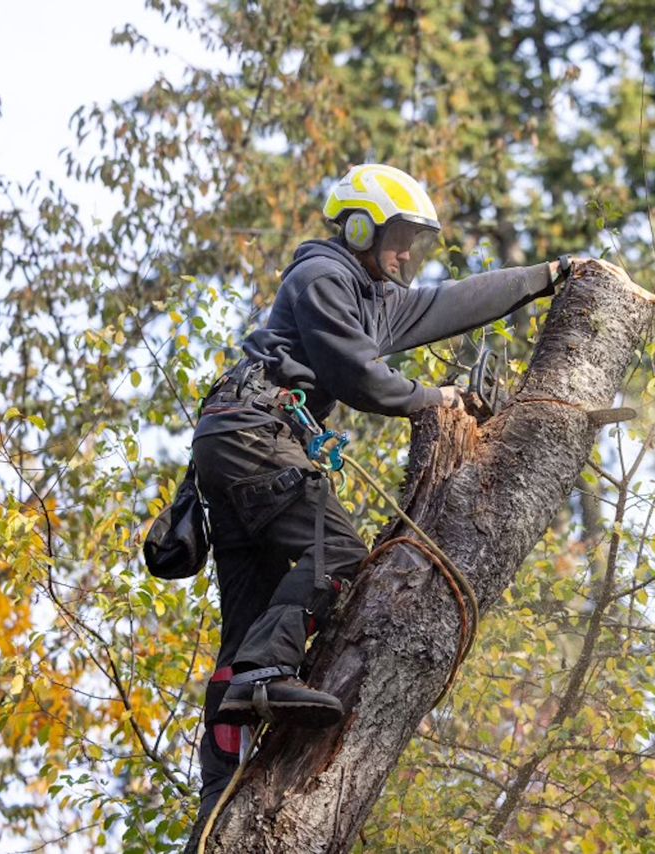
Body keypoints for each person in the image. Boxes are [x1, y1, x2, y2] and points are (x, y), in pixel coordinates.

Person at [190, 163, 573, 818]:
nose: (408, 255)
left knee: (250, 623)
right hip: (255, 437)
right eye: (400, 237)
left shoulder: (369, 297)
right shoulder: (322, 277)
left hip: (236, 443)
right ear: (361, 227)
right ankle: (262, 677)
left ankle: (216, 788)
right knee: (337, 552)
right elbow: (358, 376)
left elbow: (452, 301)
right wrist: (436, 397)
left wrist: (546, 277)